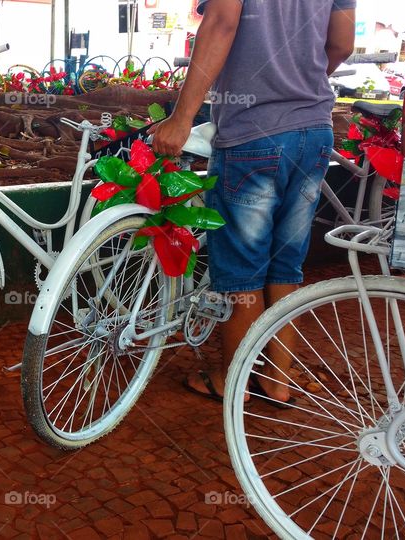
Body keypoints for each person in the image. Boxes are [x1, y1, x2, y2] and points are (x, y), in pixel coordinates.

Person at [147, 0, 357, 403]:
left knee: (242, 267)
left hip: (252, 135)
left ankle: (235, 380)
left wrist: (183, 117)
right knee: (285, 262)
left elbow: (222, 22)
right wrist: (297, 87)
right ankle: (276, 380)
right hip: (313, 132)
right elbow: (342, 45)